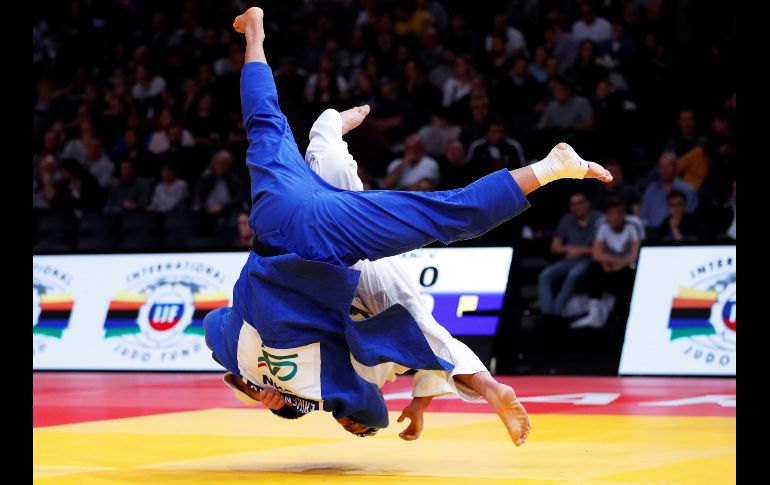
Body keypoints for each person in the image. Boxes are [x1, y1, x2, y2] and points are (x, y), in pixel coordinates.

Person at [203, 7, 612, 446]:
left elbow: (371, 411)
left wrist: (274, 392)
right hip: (281, 212)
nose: (350, 424)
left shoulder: (319, 382)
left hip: (323, 243)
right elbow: (216, 325)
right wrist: (256, 385)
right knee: (269, 123)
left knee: (438, 220)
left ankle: (549, 168)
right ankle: (260, 38)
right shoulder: (252, 354)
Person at [570, 198, 640, 329]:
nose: (616, 217)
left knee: (631, 275)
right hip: (612, 266)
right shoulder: (603, 227)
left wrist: (621, 263)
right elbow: (597, 254)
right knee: (594, 269)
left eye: (619, 213)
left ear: (624, 214)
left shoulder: (632, 227)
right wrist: (612, 262)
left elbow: (634, 256)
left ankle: (623, 316)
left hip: (628, 268)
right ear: (607, 216)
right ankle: (595, 314)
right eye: (612, 214)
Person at [537, 192, 601, 317]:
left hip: (590, 260)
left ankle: (555, 314)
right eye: (573, 204)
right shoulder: (567, 219)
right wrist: (570, 249)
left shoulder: (599, 219)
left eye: (579, 203)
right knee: (544, 276)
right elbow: (555, 247)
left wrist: (580, 251)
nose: (576, 207)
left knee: (573, 274)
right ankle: (547, 313)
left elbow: (603, 248)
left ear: (587, 204)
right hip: (569, 259)